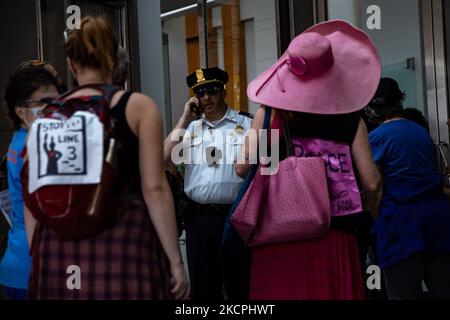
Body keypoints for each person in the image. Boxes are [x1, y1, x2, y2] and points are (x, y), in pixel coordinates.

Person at [23, 16, 189, 300]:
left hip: (59, 246)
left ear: (72, 64)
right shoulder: (138, 107)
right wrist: (175, 260)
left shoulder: (46, 116)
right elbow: (154, 188)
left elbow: (32, 197)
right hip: (124, 240)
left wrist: (38, 255)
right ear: (113, 59)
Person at [235, 20, 383, 300]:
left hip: (277, 236)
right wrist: (369, 216)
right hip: (335, 236)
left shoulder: (269, 116)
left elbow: (243, 167)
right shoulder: (351, 120)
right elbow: (373, 184)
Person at [164, 67, 253, 300]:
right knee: (204, 292)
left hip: (235, 219)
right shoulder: (189, 129)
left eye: (212, 92)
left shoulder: (248, 125)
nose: (206, 98)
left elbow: (271, 170)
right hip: (199, 221)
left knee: (240, 288)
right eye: (200, 94)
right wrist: (184, 118)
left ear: (223, 92)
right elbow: (162, 160)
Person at [367, 77, 450, 300]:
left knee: (402, 293)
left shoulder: (375, 138)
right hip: (437, 221)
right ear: (400, 100)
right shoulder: (421, 133)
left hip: (400, 224)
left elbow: (373, 185)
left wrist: (377, 218)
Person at [0, 64, 60, 300]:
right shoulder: (35, 146)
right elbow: (34, 212)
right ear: (20, 112)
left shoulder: (19, 140)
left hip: (19, 263)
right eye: (43, 102)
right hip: (35, 269)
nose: (53, 109)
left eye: (56, 101)